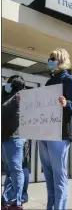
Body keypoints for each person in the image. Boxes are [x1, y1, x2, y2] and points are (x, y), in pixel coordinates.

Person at [39, 48, 72, 210]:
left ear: (61, 61)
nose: (49, 61)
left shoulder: (70, 81)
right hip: (45, 134)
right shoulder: (49, 82)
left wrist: (66, 103)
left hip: (60, 134)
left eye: (52, 58)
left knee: (59, 177)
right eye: (49, 58)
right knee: (49, 177)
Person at [1, 75, 26, 210]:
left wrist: (4, 91)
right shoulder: (7, 95)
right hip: (5, 137)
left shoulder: (19, 97)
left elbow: (4, 108)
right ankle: (7, 199)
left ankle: (17, 201)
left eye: (9, 83)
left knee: (16, 170)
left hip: (14, 138)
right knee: (10, 170)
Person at [2, 140, 30, 206]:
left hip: (17, 137)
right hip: (6, 137)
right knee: (12, 169)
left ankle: (18, 199)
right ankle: (10, 198)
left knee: (20, 168)